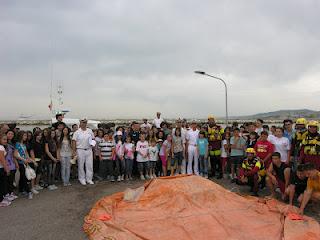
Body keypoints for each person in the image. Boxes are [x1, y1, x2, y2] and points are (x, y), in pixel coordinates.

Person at [72, 118, 95, 185]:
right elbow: (74, 141)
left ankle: (89, 179)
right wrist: (74, 151)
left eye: (85, 122)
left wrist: (93, 144)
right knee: (81, 165)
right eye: (82, 122)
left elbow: (93, 139)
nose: (84, 124)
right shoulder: (77, 132)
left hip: (89, 149)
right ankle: (82, 179)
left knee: (89, 165)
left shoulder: (90, 131)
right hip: (80, 150)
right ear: (80, 123)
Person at [14, 131, 33, 199]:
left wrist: (30, 159)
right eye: (25, 135)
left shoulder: (24, 145)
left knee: (22, 177)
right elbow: (15, 155)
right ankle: (29, 191)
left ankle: (21, 190)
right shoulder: (17, 144)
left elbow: (26, 154)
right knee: (25, 177)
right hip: (21, 163)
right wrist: (23, 159)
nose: (26, 137)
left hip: (25, 163)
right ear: (21, 136)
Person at [5, 130, 19, 201]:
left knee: (11, 179)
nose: (10, 135)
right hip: (6, 163)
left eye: (12, 134)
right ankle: (7, 194)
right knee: (7, 180)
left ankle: (11, 193)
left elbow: (13, 155)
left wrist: (16, 163)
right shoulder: (3, 143)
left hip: (12, 163)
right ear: (6, 134)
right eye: (9, 134)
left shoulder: (12, 143)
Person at [0, 134, 11, 206]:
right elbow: (2, 159)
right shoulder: (1, 147)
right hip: (0, 168)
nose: (5, 141)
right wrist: (7, 169)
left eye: (6, 139)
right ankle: (1, 201)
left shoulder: (2, 147)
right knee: (1, 184)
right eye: (4, 139)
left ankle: (2, 198)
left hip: (1, 167)